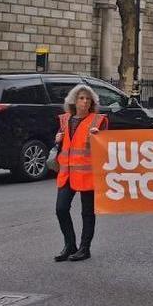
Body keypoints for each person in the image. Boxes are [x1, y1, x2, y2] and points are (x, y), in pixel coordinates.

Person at [53, 83, 108, 262]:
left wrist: (99, 136)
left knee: (87, 213)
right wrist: (57, 139)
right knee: (61, 209)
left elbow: (106, 146)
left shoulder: (98, 121)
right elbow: (64, 146)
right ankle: (70, 245)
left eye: (87, 99)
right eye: (81, 98)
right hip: (67, 173)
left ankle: (85, 248)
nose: (84, 102)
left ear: (92, 102)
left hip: (88, 174)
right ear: (74, 101)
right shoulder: (65, 120)